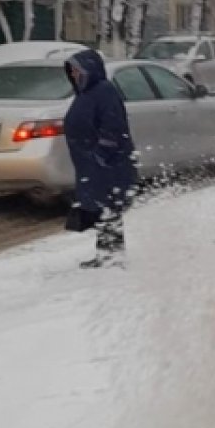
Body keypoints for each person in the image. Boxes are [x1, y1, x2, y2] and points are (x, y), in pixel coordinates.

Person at [63, 49, 137, 268]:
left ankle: (111, 257)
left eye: (77, 70)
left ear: (89, 70)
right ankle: (107, 254)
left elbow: (113, 126)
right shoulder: (86, 94)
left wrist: (101, 154)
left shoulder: (103, 92)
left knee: (108, 207)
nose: (74, 75)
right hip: (92, 164)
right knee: (101, 207)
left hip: (108, 164)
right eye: (72, 71)